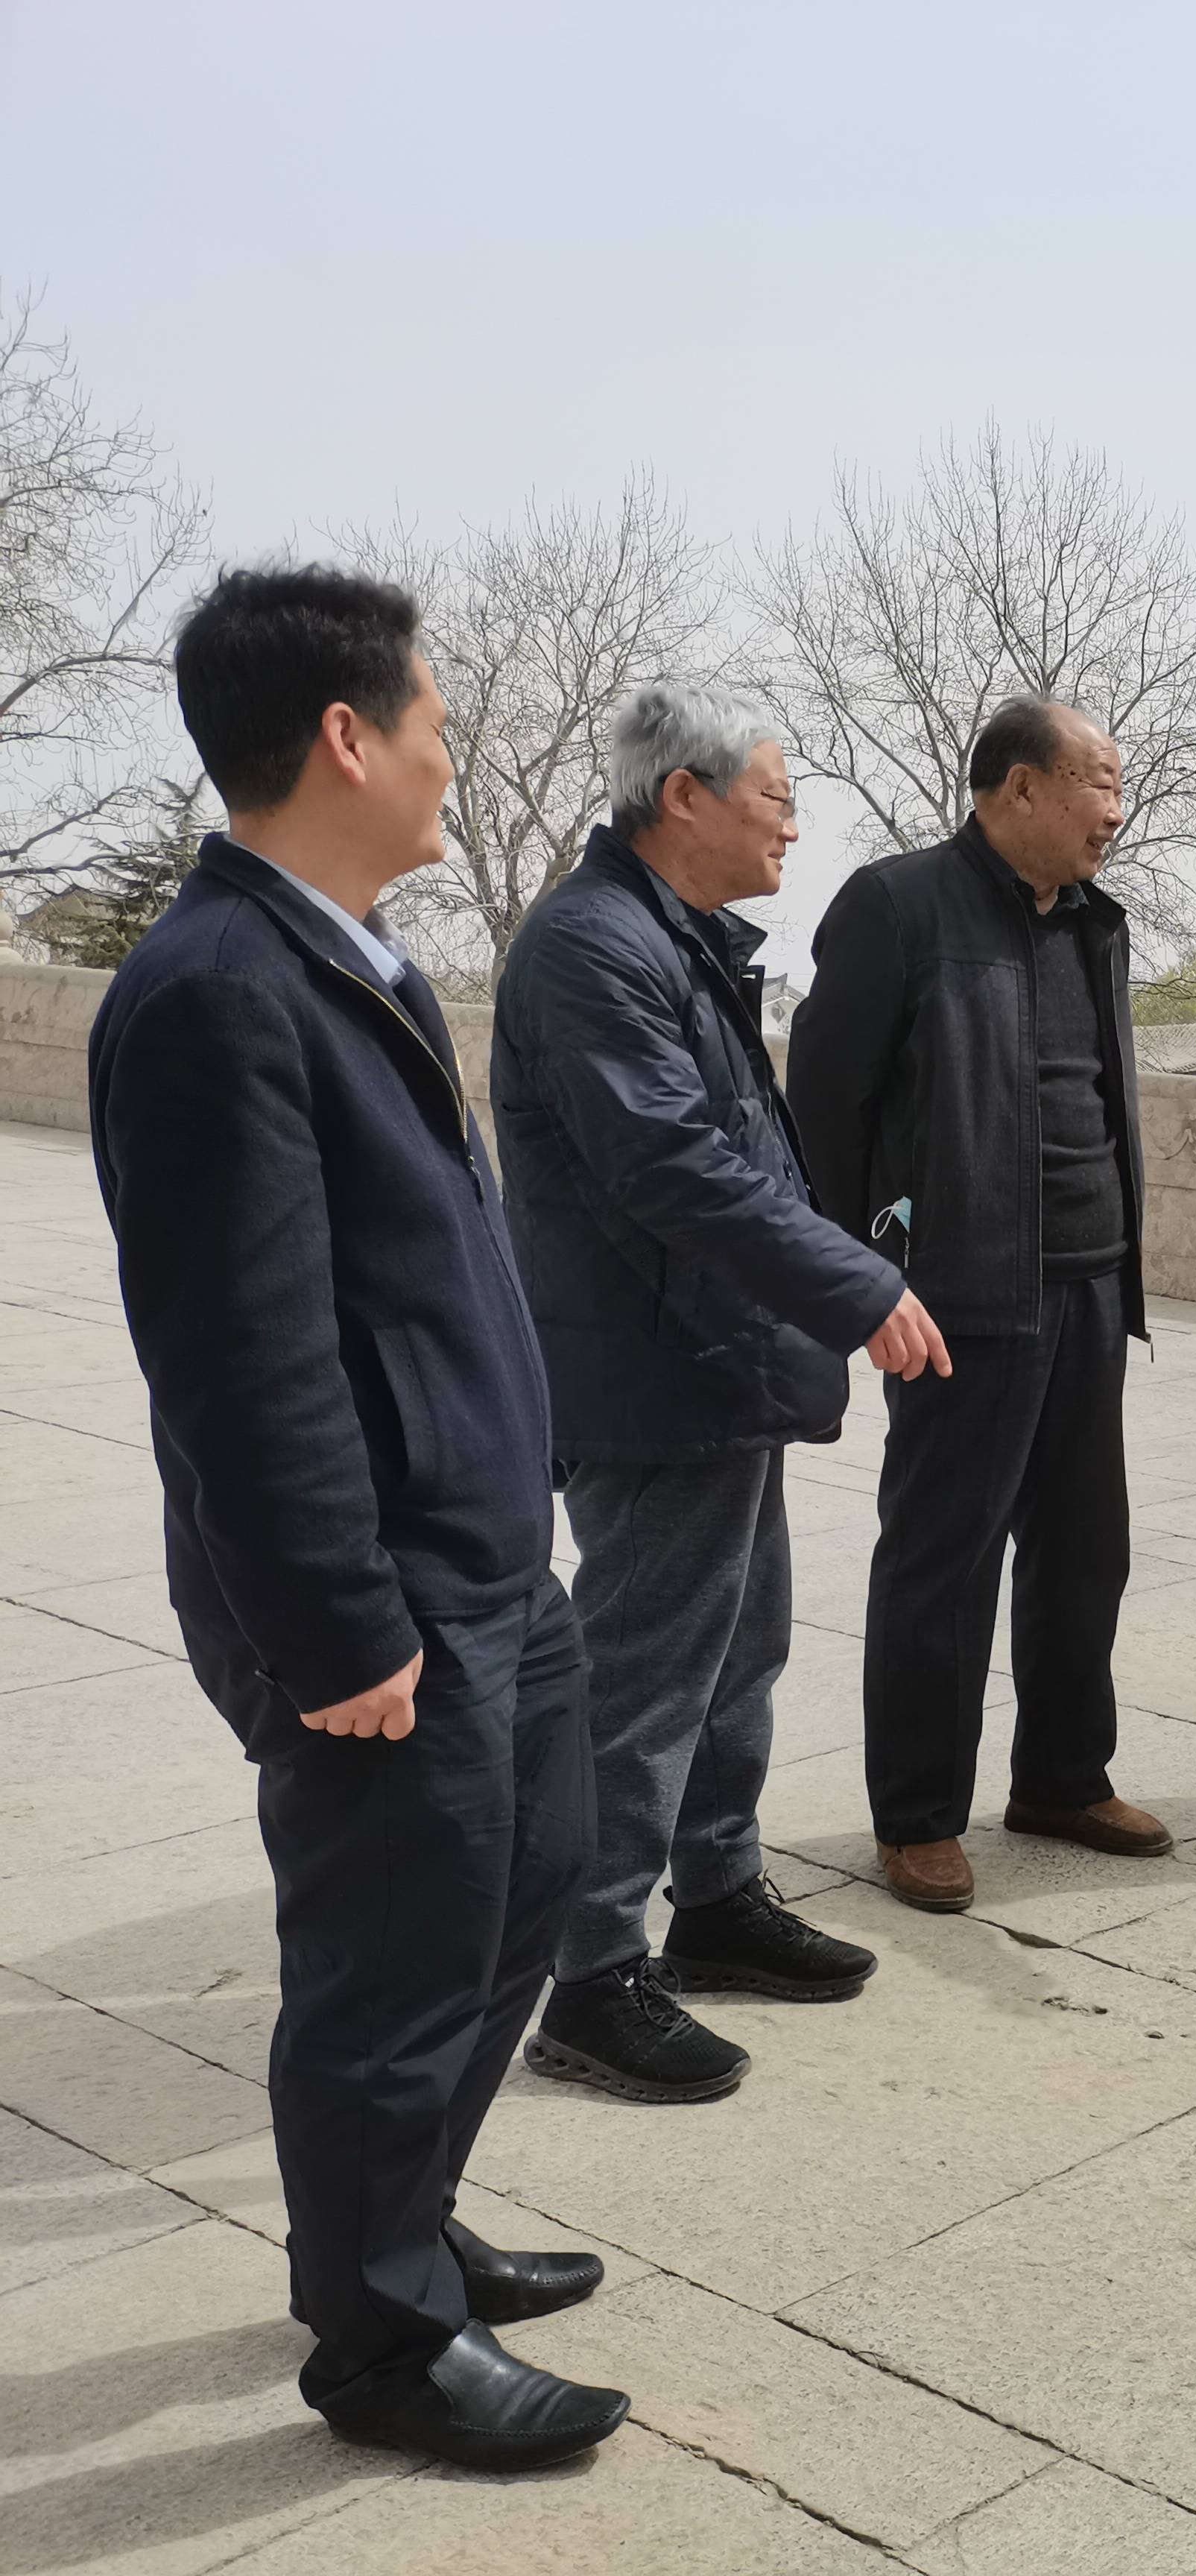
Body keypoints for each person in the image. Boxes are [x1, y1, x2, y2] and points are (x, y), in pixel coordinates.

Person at [86, 566, 627, 2467]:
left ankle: (410, 2226)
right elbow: (241, 1363)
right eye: (435, 724)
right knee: (389, 1974)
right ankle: (383, 2346)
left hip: (489, 1559)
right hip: (380, 1599)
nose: (450, 759)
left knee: (517, 1906)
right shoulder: (214, 993)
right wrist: (334, 1627)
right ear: (345, 736)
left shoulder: (351, 957)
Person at [493, 684, 949, 2103]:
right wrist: (855, 1284)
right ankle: (590, 1976)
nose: (792, 827)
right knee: (643, 1677)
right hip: (653, 1369)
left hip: (720, 1356)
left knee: (737, 1649)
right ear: (682, 797)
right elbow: (671, 1164)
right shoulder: (590, 947)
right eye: (776, 798)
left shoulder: (674, 939)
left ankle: (715, 1894)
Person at [788, 696, 1168, 1915]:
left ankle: (1062, 1777)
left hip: (1091, 1280)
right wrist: (873, 1267)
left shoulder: (1097, 923)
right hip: (959, 1295)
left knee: (1084, 1550)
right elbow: (826, 1109)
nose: (1116, 811)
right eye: (1098, 783)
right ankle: (916, 1817)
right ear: (1018, 788)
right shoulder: (900, 906)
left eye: (1119, 787)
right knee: (941, 1559)